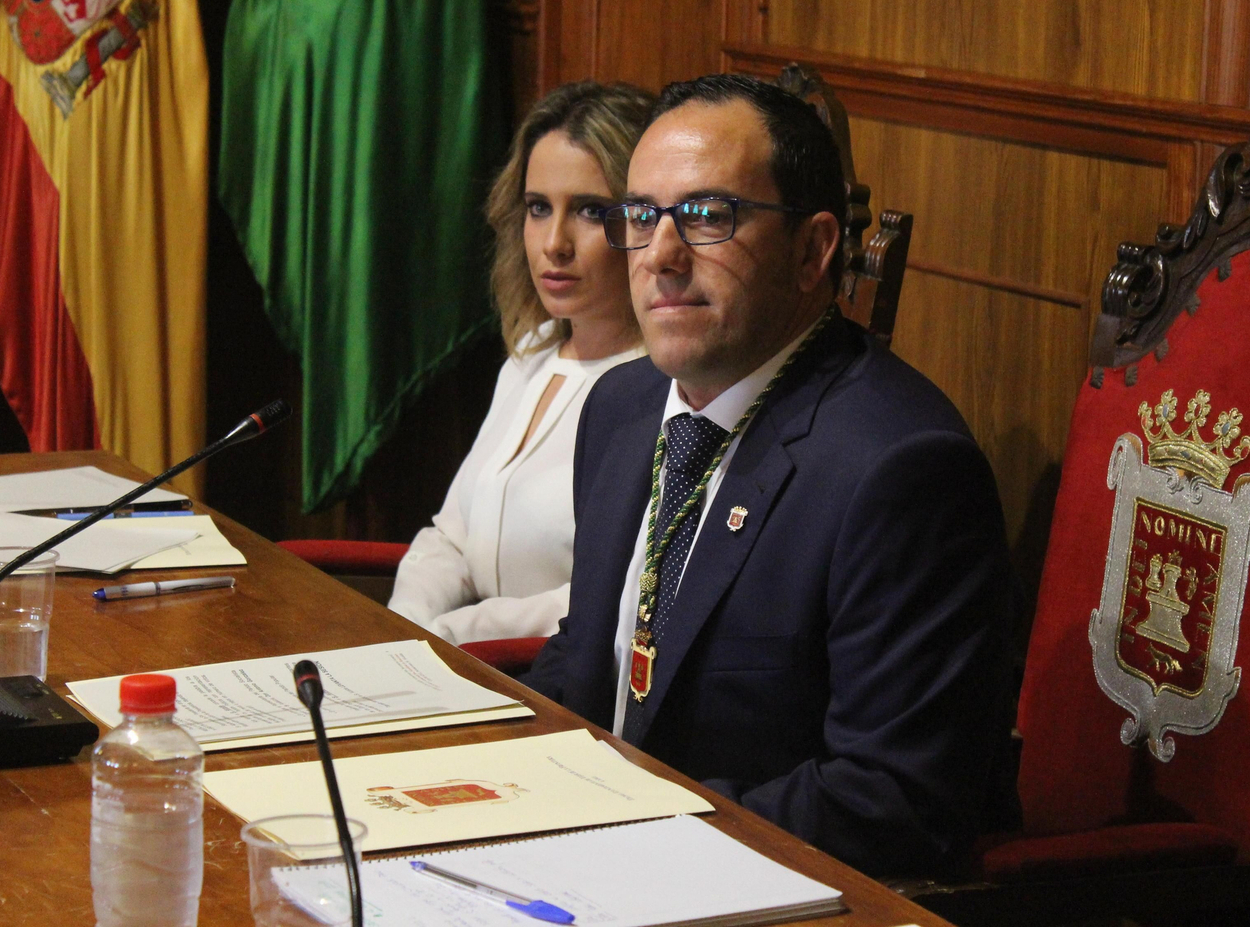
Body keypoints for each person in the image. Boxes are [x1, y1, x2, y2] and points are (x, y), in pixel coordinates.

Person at [522, 73, 1018, 877]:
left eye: (709, 217)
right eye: (643, 216)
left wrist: (636, 839)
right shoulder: (621, 406)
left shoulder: (902, 470)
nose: (662, 256)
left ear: (814, 250)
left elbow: (892, 800)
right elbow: (592, 655)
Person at [388, 82, 654, 645]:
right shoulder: (532, 352)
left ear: (644, 224)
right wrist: (405, 626)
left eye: (589, 211)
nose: (554, 242)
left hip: (552, 685)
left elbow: (615, 595)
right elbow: (450, 538)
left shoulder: (664, 392)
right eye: (538, 208)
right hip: (457, 660)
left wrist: (457, 634)